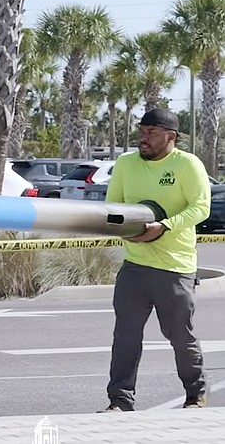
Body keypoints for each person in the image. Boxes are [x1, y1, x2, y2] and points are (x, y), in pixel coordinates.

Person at [103, 107, 209, 412]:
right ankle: (120, 401)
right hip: (134, 265)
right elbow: (114, 207)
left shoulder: (187, 164)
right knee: (125, 336)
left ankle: (195, 395)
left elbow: (200, 207)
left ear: (170, 137)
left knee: (180, 335)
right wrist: (128, 233)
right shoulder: (126, 163)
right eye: (141, 131)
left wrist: (164, 226)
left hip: (175, 268)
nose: (143, 138)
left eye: (151, 132)